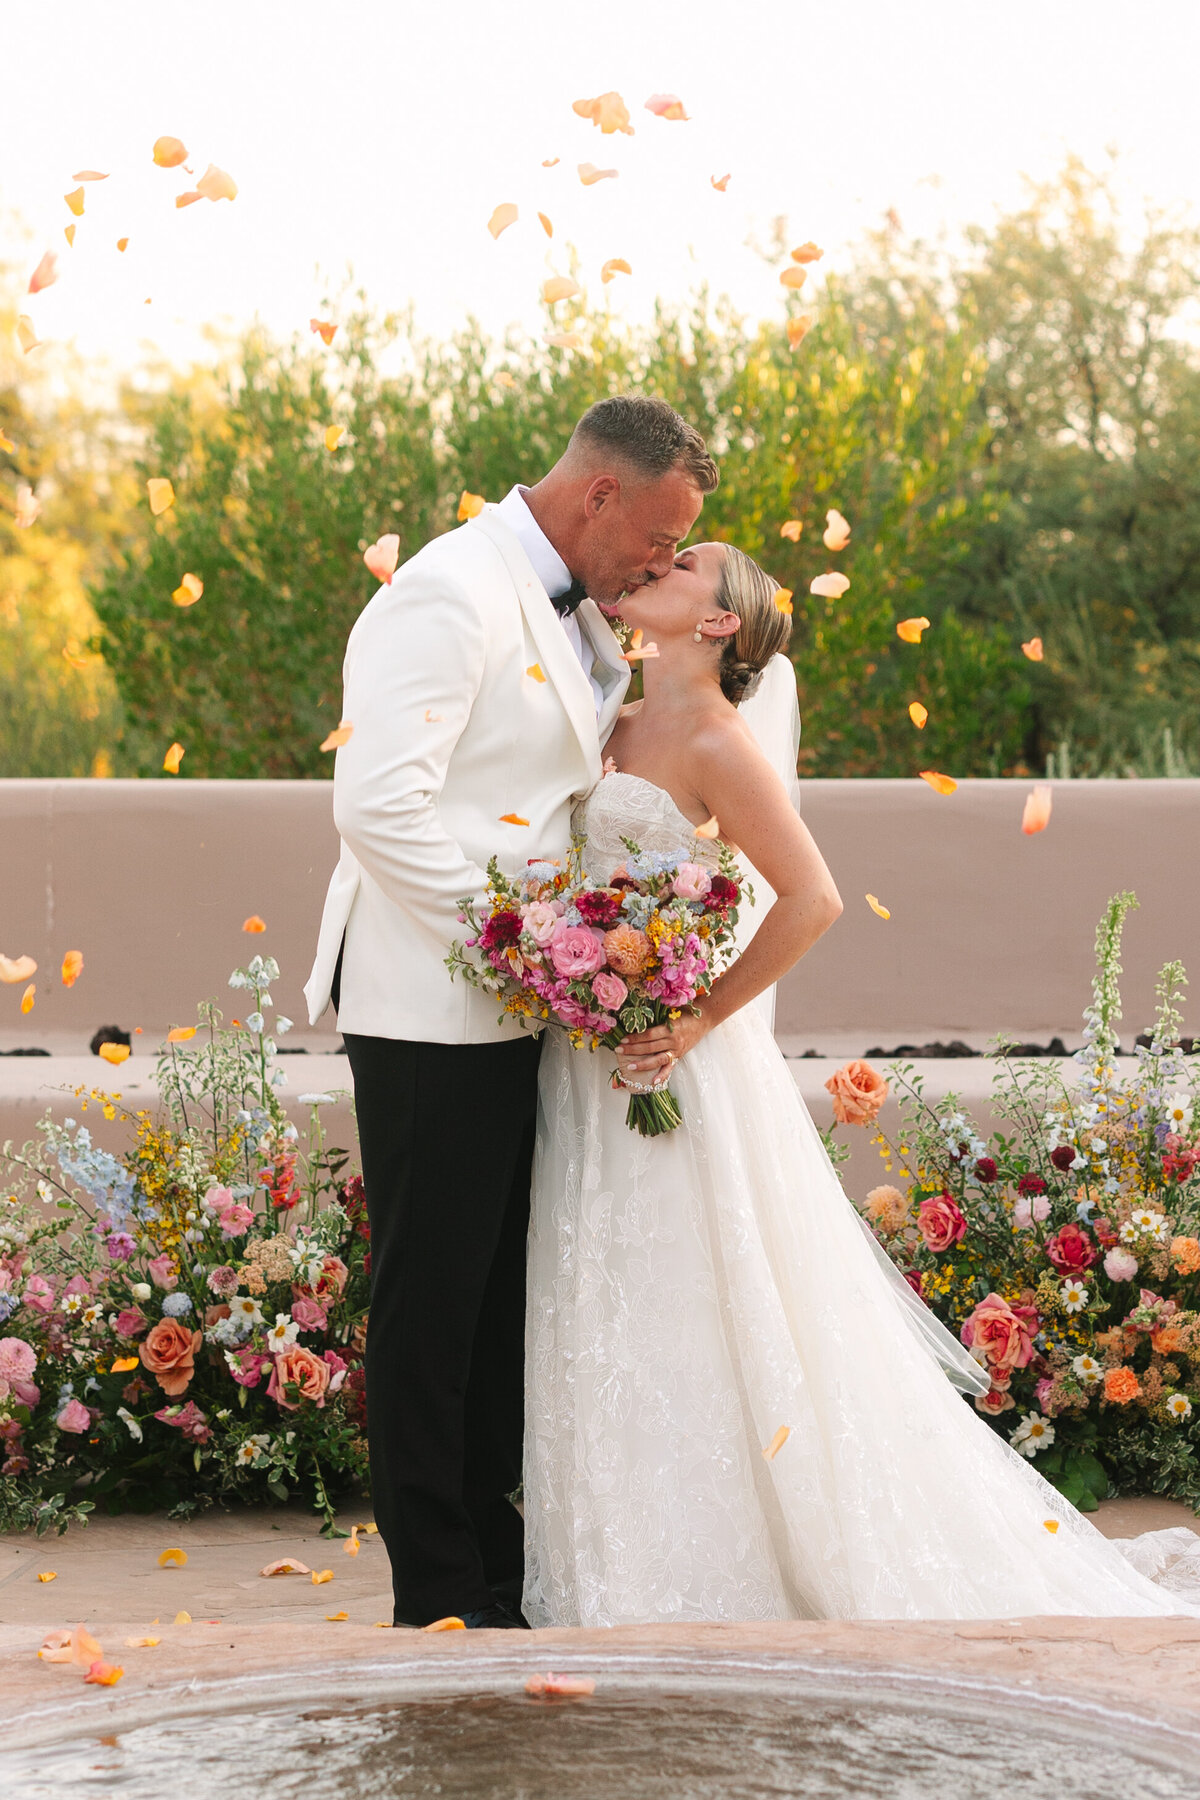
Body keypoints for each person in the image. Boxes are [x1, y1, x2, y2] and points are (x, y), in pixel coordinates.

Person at [522, 539, 1200, 1624]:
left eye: (686, 562)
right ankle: (621, 1546)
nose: (660, 560)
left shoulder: (714, 739)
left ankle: (695, 1575)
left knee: (686, 1283)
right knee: (604, 1281)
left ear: (717, 623)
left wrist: (690, 1016)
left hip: (675, 1065)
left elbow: (812, 899)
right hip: (589, 1053)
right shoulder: (609, 717)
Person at [304, 395, 719, 1628]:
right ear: (599, 495)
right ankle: (439, 1595)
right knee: (432, 1310)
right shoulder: (447, 592)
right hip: (431, 1001)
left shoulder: (572, 608)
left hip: (515, 1003)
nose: (659, 562)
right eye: (657, 535)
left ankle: (494, 1574)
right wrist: (524, 944)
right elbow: (378, 809)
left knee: (492, 1308)